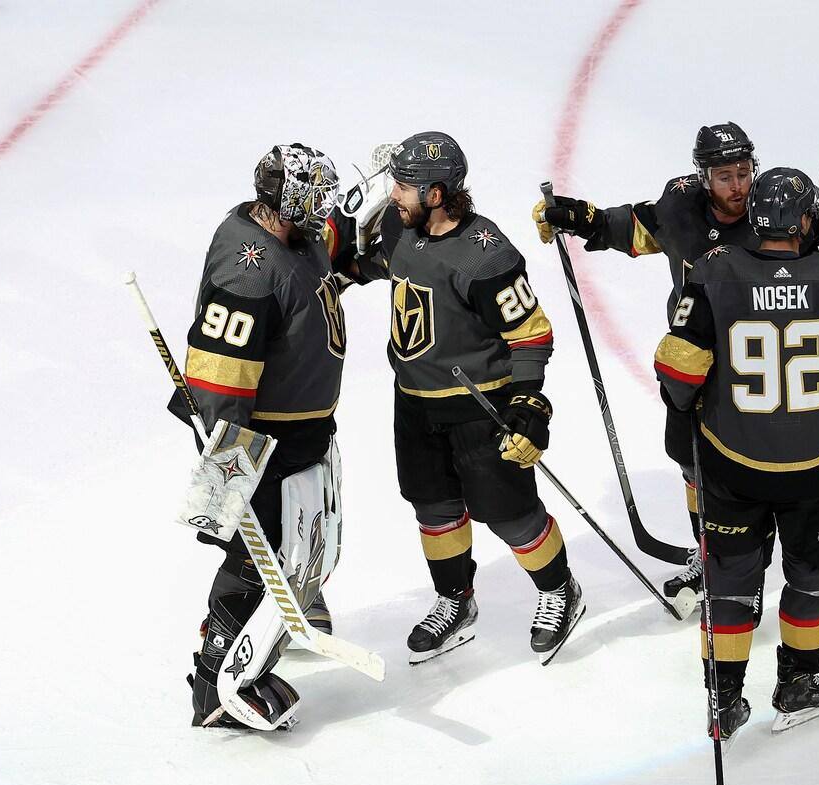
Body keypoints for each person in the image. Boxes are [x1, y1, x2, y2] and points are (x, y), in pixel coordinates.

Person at [653, 167, 819, 740]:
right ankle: (796, 684)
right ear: (807, 219)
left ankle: (725, 699)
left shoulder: (713, 271)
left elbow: (677, 375)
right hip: (817, 468)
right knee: (811, 579)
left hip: (733, 467)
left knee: (731, 584)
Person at [348, 132, 584, 665]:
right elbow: (388, 263)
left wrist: (528, 406)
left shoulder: (488, 255)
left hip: (479, 406)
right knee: (433, 508)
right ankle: (455, 600)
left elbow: (531, 333)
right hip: (414, 400)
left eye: (405, 186)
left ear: (437, 194)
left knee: (510, 514)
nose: (394, 193)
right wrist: (345, 270)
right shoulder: (398, 225)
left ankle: (559, 590)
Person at [532, 122, 762, 609]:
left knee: (750, 468)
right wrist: (580, 217)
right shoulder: (681, 207)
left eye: (744, 172)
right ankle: (712, 553)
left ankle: (744, 573)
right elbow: (633, 227)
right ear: (704, 177)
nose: (738, 186)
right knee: (693, 459)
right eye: (725, 176)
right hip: (693, 362)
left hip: (757, 365)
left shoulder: (774, 210)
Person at [179, 143, 359, 728]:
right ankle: (215, 680)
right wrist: (229, 469)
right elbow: (219, 381)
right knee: (253, 558)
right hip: (265, 444)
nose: (324, 206)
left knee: (297, 551)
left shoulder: (297, 237)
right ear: (284, 199)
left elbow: (332, 247)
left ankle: (273, 632)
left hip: (305, 435)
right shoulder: (249, 269)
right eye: (314, 194)